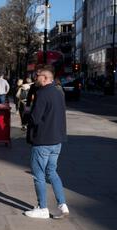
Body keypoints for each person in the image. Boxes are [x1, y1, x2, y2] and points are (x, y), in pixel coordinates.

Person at [24, 66, 69, 220]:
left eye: (37, 76)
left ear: (45, 78)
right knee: (52, 172)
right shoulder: (58, 93)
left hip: (43, 140)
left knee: (39, 175)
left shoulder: (42, 94)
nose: (35, 78)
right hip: (57, 140)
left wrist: (27, 112)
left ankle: (42, 208)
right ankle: (62, 204)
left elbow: (35, 118)